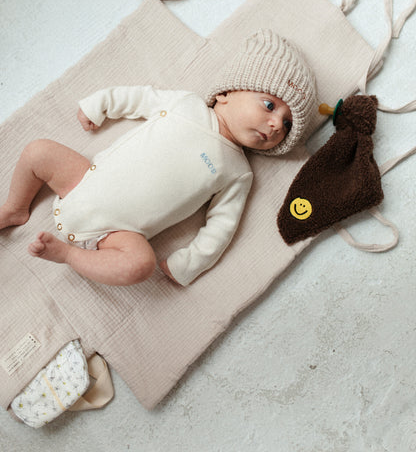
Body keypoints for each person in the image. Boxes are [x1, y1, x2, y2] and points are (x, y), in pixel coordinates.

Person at [0, 29, 317, 286]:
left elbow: (222, 226)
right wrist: (101, 105)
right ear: (227, 92)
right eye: (269, 105)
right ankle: (15, 209)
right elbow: (140, 98)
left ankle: (69, 256)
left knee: (140, 264)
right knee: (38, 151)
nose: (277, 124)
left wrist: (188, 263)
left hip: (118, 234)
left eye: (288, 124)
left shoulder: (238, 172)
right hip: (84, 180)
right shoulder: (186, 104)